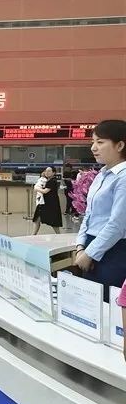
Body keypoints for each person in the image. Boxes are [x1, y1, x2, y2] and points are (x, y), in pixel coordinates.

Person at [74, 119, 126, 302]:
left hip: (114, 250)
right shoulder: (101, 175)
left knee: (108, 305)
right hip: (91, 245)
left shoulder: (123, 178)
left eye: (100, 142)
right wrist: (80, 246)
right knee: (90, 305)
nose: (93, 148)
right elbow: (89, 214)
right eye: (93, 142)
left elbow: (117, 225)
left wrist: (90, 254)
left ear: (120, 145)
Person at [32, 167, 62, 235]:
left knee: (54, 222)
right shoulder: (46, 180)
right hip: (43, 203)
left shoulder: (52, 181)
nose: (47, 172)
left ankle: (59, 235)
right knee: (37, 219)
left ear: (53, 173)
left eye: (49, 171)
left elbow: (45, 191)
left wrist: (36, 188)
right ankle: (33, 234)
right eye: (46, 171)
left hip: (51, 204)